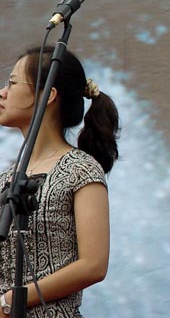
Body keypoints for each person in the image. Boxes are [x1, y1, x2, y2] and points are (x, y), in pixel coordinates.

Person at [0, 46, 120, 317]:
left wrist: (10, 301)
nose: (2, 92)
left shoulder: (81, 169)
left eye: (12, 83)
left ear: (49, 95)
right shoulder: (7, 177)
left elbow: (93, 265)